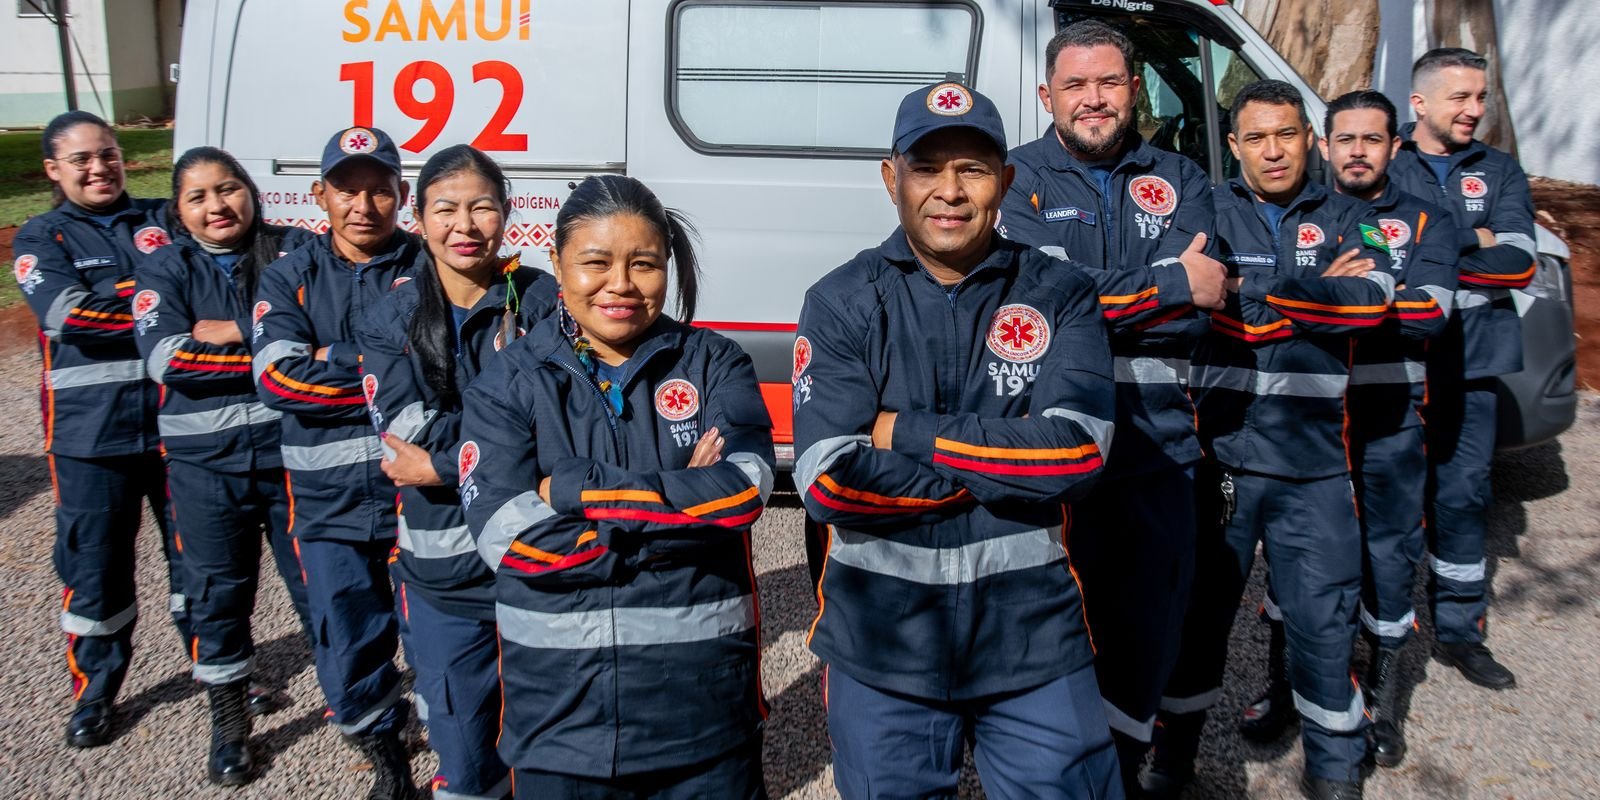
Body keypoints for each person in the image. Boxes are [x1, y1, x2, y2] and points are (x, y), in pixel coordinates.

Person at [795, 81, 1121, 798]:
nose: (949, 190)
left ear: (1005, 182)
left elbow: (1078, 454)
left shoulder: (1060, 293)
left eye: (972, 169)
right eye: (927, 167)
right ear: (891, 179)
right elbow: (826, 480)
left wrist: (901, 432)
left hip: (1032, 637)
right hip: (883, 645)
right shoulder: (842, 300)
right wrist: (1007, 460)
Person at [459, 174, 775, 798]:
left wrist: (569, 489)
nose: (622, 285)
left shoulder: (717, 361)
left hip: (705, 717)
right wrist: (680, 496)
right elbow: (510, 541)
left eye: (645, 264)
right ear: (556, 262)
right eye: (595, 263)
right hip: (562, 726)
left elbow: (743, 491)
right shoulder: (506, 384)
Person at [1145, 81, 1393, 800]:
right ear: (1232, 146)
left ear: (1309, 138)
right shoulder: (1207, 213)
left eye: (1286, 133)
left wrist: (1253, 295)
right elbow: (1197, 311)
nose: (1273, 149)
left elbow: (1373, 305)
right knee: (1197, 623)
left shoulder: (1357, 216)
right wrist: (1313, 294)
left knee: (1323, 623)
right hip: (1221, 460)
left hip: (1315, 467)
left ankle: (1336, 768)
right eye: (1256, 137)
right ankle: (1172, 763)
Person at [998, 21, 1224, 788]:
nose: (1093, 99)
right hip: (1050, 449)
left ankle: (1124, 770)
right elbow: (1036, 298)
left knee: (1144, 632)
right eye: (1075, 85)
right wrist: (1163, 283)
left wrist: (1095, 294)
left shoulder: (1185, 178)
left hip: (1156, 449)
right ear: (1046, 96)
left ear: (1133, 89)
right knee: (1046, 628)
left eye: (1108, 83)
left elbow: (1204, 305)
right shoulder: (1015, 179)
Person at [1236, 91, 1461, 769]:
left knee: (1388, 561)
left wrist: (1321, 301)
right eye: (1347, 138)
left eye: (1374, 138)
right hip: (1314, 422)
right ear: (1325, 144)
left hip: (1388, 416)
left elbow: (1422, 316)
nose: (1358, 150)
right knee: (1301, 573)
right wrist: (1322, 294)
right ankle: (1284, 686)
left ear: (1397, 145)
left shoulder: (1422, 219)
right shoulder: (1318, 217)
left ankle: (1383, 696)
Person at [357, 145, 557, 800]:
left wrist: (443, 463)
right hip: (445, 582)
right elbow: (405, 434)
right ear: (419, 218)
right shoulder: (391, 315)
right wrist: (511, 448)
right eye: (446, 208)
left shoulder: (545, 302)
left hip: (542, 568)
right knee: (467, 763)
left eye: (481, 206)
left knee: (554, 749)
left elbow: (563, 428)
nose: (464, 224)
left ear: (507, 214)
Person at [133, 146, 318, 785]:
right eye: (198, 196)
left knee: (320, 587)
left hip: (293, 458)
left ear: (251, 190)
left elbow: (328, 334)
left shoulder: (295, 250)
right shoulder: (163, 268)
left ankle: (361, 707)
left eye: (228, 188)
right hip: (204, 467)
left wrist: (238, 328)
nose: (217, 206)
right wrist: (276, 346)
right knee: (218, 595)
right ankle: (231, 721)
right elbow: (168, 361)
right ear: (179, 211)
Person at [251, 126, 423, 800]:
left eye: (379, 188)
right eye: (347, 188)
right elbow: (277, 382)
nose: (363, 203)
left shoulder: (429, 266)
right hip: (326, 504)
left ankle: (456, 762)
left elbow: (447, 372)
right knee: (348, 645)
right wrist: (383, 363)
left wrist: (330, 356)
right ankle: (388, 764)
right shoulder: (289, 274)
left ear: (401, 195)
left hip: (420, 498)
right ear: (319, 194)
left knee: (438, 638)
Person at [13, 111, 190, 749]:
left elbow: (205, 285)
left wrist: (136, 297)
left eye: (109, 155)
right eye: (82, 160)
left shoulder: (163, 217)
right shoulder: (41, 237)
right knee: (95, 568)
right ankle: (96, 689)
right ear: (54, 171)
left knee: (197, 559)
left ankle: (216, 666)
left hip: (177, 427)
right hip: (91, 440)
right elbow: (70, 316)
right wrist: (161, 303)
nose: (99, 169)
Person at [1388, 47, 1536, 691]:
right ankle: (1383, 638)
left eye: (1481, 97)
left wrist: (1424, 245)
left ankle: (1459, 633)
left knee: (1464, 497)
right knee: (1386, 502)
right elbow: (1366, 246)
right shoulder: (1384, 159)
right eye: (1461, 98)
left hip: (1474, 362)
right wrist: (1472, 239)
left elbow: (1521, 262)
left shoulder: (1500, 170)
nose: (1475, 110)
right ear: (1419, 103)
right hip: (1398, 362)